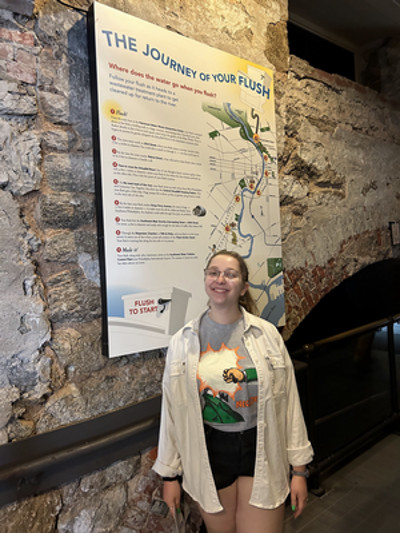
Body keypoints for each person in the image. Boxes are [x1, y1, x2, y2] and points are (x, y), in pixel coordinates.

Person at [153, 250, 313, 533]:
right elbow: (172, 411)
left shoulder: (267, 335)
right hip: (211, 452)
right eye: (214, 272)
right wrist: (169, 475)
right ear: (205, 279)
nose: (220, 279)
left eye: (230, 274)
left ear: (243, 286)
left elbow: (290, 404)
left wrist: (299, 470)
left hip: (262, 447)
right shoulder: (183, 341)